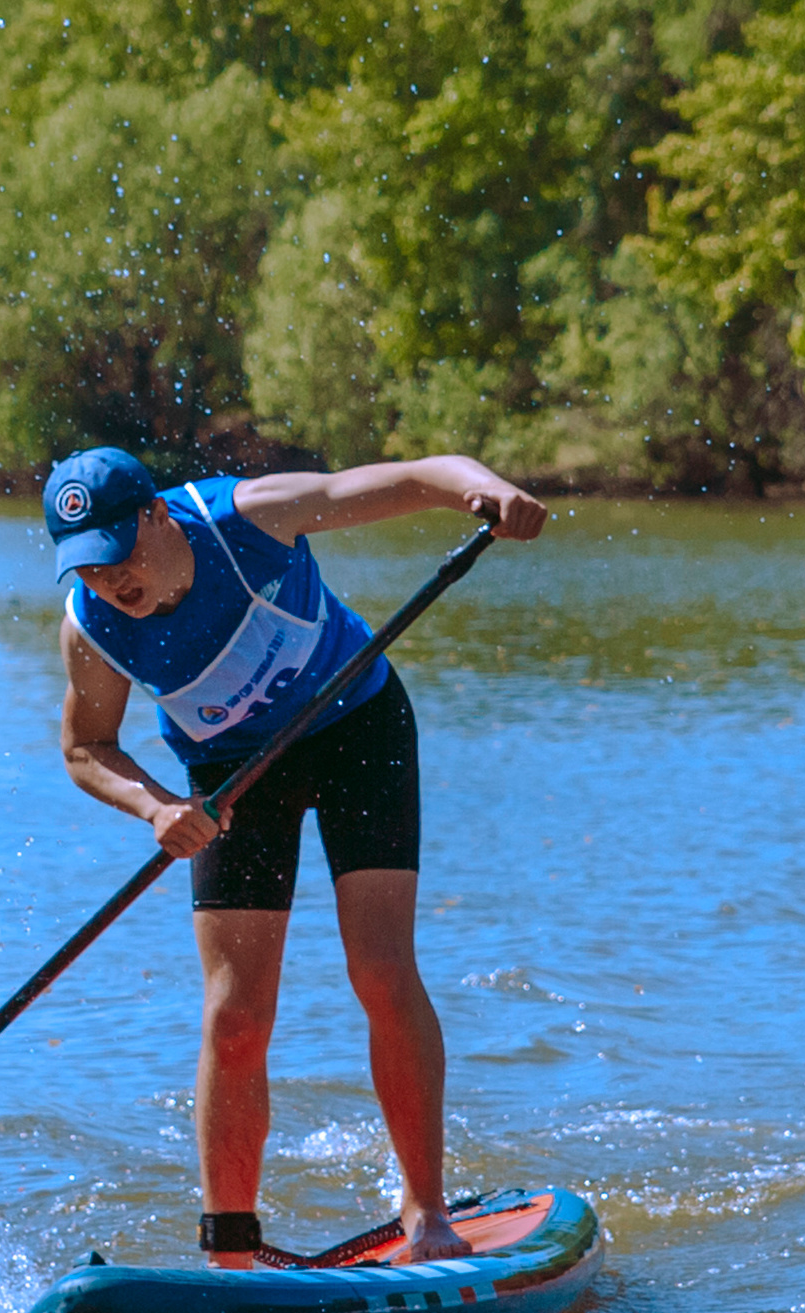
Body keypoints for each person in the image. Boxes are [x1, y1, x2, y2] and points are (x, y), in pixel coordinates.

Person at [47, 445, 546, 1265]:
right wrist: (157, 806)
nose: (112, 582)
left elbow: (416, 476)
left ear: (156, 514)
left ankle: (427, 1216)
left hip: (357, 729)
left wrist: (487, 491)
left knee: (380, 970)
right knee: (236, 1014)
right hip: (232, 778)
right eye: (89, 568)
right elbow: (86, 747)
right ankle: (230, 1254)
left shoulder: (249, 517)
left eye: (120, 553)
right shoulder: (90, 626)